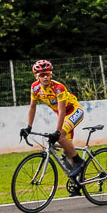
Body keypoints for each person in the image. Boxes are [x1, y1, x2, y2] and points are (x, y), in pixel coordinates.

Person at [21, 60, 87, 194]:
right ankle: (77, 184)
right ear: (36, 76)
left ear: (51, 74)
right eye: (42, 74)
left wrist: (57, 131)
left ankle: (79, 162)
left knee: (60, 136)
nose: (45, 77)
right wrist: (28, 126)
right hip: (62, 115)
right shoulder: (35, 88)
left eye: (48, 74)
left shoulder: (58, 87)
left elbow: (62, 111)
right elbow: (33, 107)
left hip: (74, 111)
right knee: (65, 154)